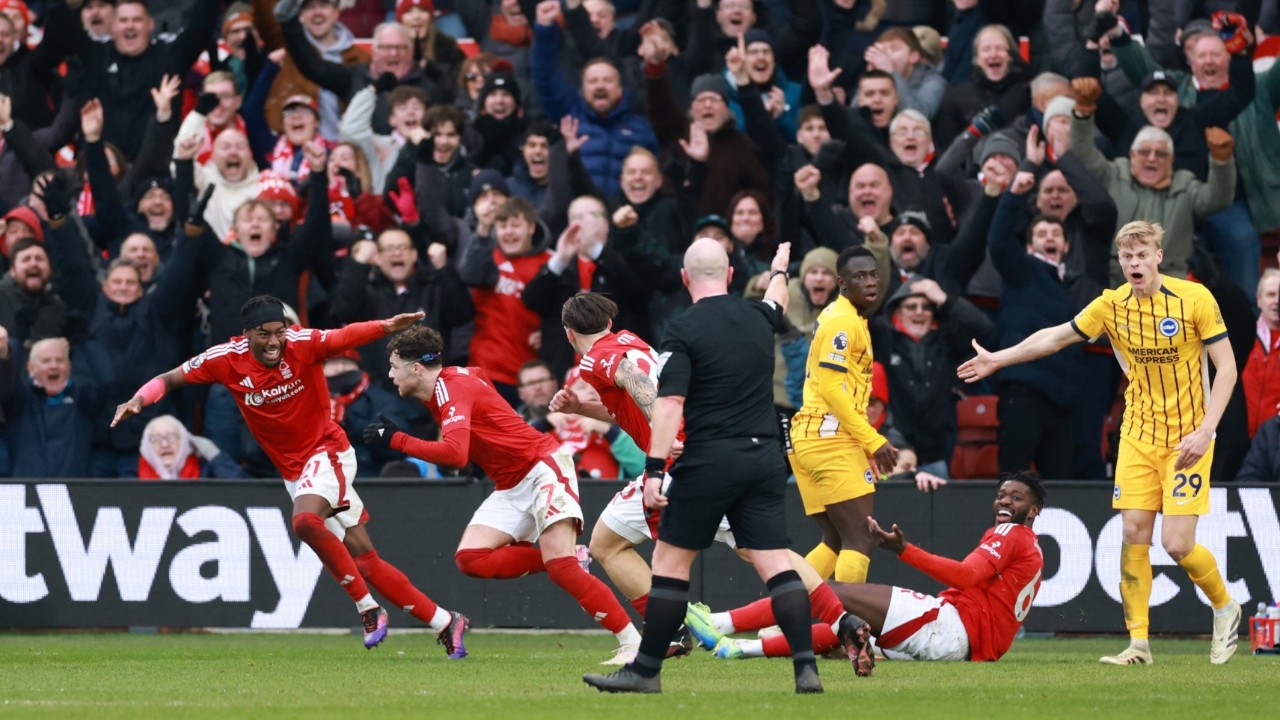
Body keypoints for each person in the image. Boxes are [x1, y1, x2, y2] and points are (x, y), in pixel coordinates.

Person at [112, 296, 470, 657]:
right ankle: (445, 621)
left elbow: (344, 337)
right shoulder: (224, 359)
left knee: (304, 521)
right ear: (246, 334)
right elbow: (169, 379)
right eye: (265, 334)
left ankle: (368, 609)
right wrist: (140, 400)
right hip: (294, 471)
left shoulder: (302, 344)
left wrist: (386, 327)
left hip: (327, 452)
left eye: (279, 332)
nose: (274, 342)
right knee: (365, 560)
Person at [958, 220, 1243, 665]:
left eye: (1141, 255)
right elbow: (1055, 336)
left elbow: (1226, 368)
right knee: (1132, 532)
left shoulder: (1194, 298)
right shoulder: (1111, 306)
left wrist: (1206, 429)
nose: (1134, 263)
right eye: (1126, 257)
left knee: (1178, 544)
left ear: (1157, 257)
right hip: (1138, 434)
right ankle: (1139, 644)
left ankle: (1225, 606)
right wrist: (1000, 358)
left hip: (1188, 436)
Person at [582, 239, 824, 695]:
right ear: (731, 275)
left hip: (710, 459)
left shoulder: (683, 328)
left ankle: (646, 671)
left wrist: (654, 469)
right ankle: (805, 668)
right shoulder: (759, 315)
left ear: (684, 277)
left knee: (670, 563)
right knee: (775, 564)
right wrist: (778, 269)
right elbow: (778, 300)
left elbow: (669, 403)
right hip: (764, 456)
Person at [363, 325, 641, 665]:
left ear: (417, 368)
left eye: (395, 367)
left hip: (541, 467)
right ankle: (569, 557)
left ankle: (632, 643)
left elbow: (455, 454)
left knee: (562, 570)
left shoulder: (451, 388)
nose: (390, 375)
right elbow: (484, 391)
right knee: (471, 558)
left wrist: (396, 439)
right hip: (511, 481)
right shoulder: (460, 378)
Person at [828, 472, 1046, 673]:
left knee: (830, 590)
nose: (1005, 501)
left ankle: (793, 582)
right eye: (1001, 495)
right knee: (837, 634)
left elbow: (965, 575)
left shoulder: (1012, 533)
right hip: (963, 647)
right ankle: (798, 642)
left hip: (950, 629)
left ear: (1034, 510)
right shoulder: (1033, 550)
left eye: (1016, 498)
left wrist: (904, 549)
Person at [790, 246, 899, 587]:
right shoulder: (843, 321)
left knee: (836, 541)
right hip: (829, 437)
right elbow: (832, 390)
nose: (870, 283)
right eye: (859, 276)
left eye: (873, 275)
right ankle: (849, 629)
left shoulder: (844, 316)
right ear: (842, 282)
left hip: (811, 435)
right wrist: (872, 439)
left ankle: (779, 617)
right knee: (861, 539)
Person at [138, 414, 246, 480]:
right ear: (146, 446)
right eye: (156, 439)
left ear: (184, 441)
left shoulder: (206, 471)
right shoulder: (132, 474)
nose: (165, 444)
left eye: (172, 437)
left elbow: (245, 489)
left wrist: (213, 454)